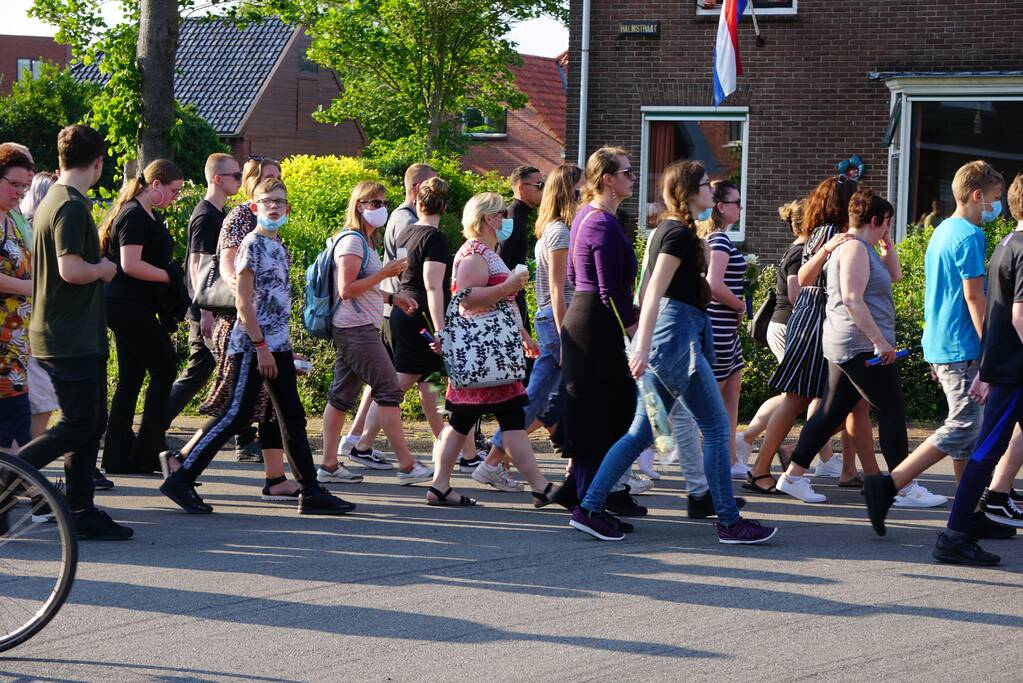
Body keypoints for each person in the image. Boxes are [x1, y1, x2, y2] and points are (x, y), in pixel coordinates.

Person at [569, 160, 776, 544]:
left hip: (679, 338)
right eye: (704, 185)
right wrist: (642, 345)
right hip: (674, 342)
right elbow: (653, 292)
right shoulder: (677, 233)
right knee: (706, 428)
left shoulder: (678, 230)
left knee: (645, 431)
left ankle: (591, 506)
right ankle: (728, 522)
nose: (711, 191)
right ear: (688, 191)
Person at [159, 178, 354, 516]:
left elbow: (274, 306)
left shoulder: (278, 247)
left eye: (280, 201)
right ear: (254, 208)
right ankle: (182, 476)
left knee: (291, 416)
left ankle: (310, 491)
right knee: (236, 415)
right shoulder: (252, 244)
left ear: (288, 209)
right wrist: (261, 346)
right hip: (251, 346)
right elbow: (244, 302)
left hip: (275, 345)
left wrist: (284, 350)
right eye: (267, 201)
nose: (274, 206)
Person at [862, 163, 1016, 539]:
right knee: (963, 425)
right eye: (994, 200)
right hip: (963, 344)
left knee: (969, 429)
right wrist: (988, 349)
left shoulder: (943, 230)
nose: (995, 209)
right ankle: (888, 485)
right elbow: (973, 296)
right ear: (978, 196)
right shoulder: (970, 236)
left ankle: (970, 506)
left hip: (943, 341)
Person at [18, 124, 132, 540]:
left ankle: (81, 509)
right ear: (98, 163)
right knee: (80, 423)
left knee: (90, 420)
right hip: (69, 334)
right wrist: (103, 268)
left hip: (68, 331)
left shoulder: (51, 199)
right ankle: (10, 478)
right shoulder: (69, 206)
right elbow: (71, 269)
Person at [426, 192, 560, 507]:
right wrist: (508, 285)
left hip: (491, 356)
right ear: (488, 218)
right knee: (491, 420)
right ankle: (539, 487)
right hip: (486, 356)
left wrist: (523, 334)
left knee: (477, 421)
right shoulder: (474, 254)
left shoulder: (485, 251)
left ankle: (441, 486)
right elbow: (468, 301)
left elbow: (501, 306)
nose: (506, 219)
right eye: (501, 213)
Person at [774, 190, 907, 503]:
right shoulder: (855, 250)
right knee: (891, 409)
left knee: (831, 411)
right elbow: (850, 298)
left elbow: (895, 275)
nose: (889, 228)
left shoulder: (863, 247)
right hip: (859, 345)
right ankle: (903, 485)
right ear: (876, 220)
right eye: (887, 223)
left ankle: (792, 476)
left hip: (847, 344)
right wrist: (880, 342)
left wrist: (888, 246)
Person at [745, 176, 875, 495]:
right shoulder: (834, 234)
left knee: (812, 398)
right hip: (818, 317)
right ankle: (774, 468)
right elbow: (815, 279)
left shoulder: (819, 232)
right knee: (803, 397)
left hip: (810, 316)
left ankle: (797, 467)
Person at [929, 175, 1023, 566]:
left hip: (1003, 364)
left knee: (988, 449)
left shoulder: (1007, 244)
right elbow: (1019, 315)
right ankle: (954, 534)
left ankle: (962, 526)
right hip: (1015, 369)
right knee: (986, 451)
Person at [316, 180, 434, 486]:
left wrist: (392, 297)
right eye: (374, 203)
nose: (380, 208)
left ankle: (329, 465)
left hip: (358, 327)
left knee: (341, 396)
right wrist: (386, 274)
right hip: (355, 330)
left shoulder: (365, 242)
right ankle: (407, 466)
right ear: (359, 206)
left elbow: (362, 287)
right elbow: (346, 289)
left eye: (383, 203)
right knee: (389, 390)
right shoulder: (353, 242)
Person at [476, 163, 581, 491]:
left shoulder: (551, 229)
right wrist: (565, 335)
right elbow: (556, 289)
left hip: (552, 318)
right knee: (546, 397)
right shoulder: (559, 233)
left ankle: (497, 460)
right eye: (581, 190)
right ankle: (495, 460)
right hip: (557, 319)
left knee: (542, 396)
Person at [737, 201, 853, 482]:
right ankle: (752, 439)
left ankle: (819, 456)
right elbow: (795, 293)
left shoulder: (803, 247)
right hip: (790, 327)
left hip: (790, 325)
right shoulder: (801, 250)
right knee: (798, 395)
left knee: (804, 395)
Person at [352, 178, 455, 462]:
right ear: (444, 207)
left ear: (418, 203)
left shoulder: (405, 234)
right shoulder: (435, 239)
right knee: (398, 383)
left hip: (401, 309)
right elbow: (433, 286)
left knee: (429, 382)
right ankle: (362, 445)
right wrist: (441, 330)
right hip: (420, 316)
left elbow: (400, 273)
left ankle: (444, 443)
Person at [559, 147, 638, 514]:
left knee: (605, 410)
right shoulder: (601, 223)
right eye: (627, 172)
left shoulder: (585, 217)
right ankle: (592, 502)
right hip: (596, 325)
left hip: (587, 317)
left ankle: (597, 494)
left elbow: (576, 278)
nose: (632, 178)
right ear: (607, 178)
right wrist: (639, 333)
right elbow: (610, 292)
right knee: (603, 412)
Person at [99, 159, 185, 474]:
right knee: (164, 367)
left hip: (129, 304)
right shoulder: (134, 214)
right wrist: (168, 277)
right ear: (156, 185)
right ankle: (148, 450)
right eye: (173, 190)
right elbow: (130, 264)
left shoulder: (147, 213)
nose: (176, 197)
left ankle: (119, 455)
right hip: (126, 303)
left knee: (132, 378)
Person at [164, 153, 242, 431]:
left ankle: (155, 425)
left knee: (209, 370)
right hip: (205, 310)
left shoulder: (218, 214)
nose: (240, 180)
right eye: (236, 175)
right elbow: (198, 266)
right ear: (218, 179)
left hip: (209, 308)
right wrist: (205, 313)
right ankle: (154, 425)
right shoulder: (207, 216)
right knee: (204, 371)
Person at [699, 180, 747, 478]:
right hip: (717, 327)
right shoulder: (718, 240)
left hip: (727, 330)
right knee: (713, 402)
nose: (740, 208)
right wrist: (740, 306)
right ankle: (710, 462)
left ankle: (730, 460)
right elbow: (713, 285)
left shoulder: (722, 239)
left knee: (732, 391)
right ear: (721, 206)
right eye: (736, 202)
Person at [17, 171, 61, 440]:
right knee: (41, 399)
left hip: (38, 322)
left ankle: (25, 469)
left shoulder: (30, 227)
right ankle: (26, 468)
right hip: (27, 323)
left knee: (41, 400)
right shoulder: (29, 230)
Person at [0, 146, 35, 456]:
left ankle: (19, 494)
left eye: (25, 186)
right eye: (14, 184)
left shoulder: (11, 220)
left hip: (16, 345)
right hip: (2, 349)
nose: (20, 192)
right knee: (15, 426)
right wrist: (31, 287)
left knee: (15, 427)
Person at [502, 165, 544, 330]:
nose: (544, 190)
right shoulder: (511, 219)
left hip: (515, 296)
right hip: (510, 301)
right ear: (521, 188)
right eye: (539, 185)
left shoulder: (520, 216)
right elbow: (501, 261)